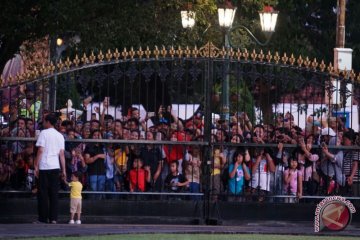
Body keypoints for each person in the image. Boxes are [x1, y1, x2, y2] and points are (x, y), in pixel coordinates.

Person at [34, 113, 66, 224]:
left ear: (48, 122)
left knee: (43, 193)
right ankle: (53, 218)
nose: (43, 123)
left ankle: (43, 218)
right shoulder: (60, 135)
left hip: (44, 166)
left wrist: (36, 165)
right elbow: (62, 154)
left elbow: (41, 150)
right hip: (55, 166)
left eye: (44, 121)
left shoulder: (43, 133)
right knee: (54, 193)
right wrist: (64, 170)